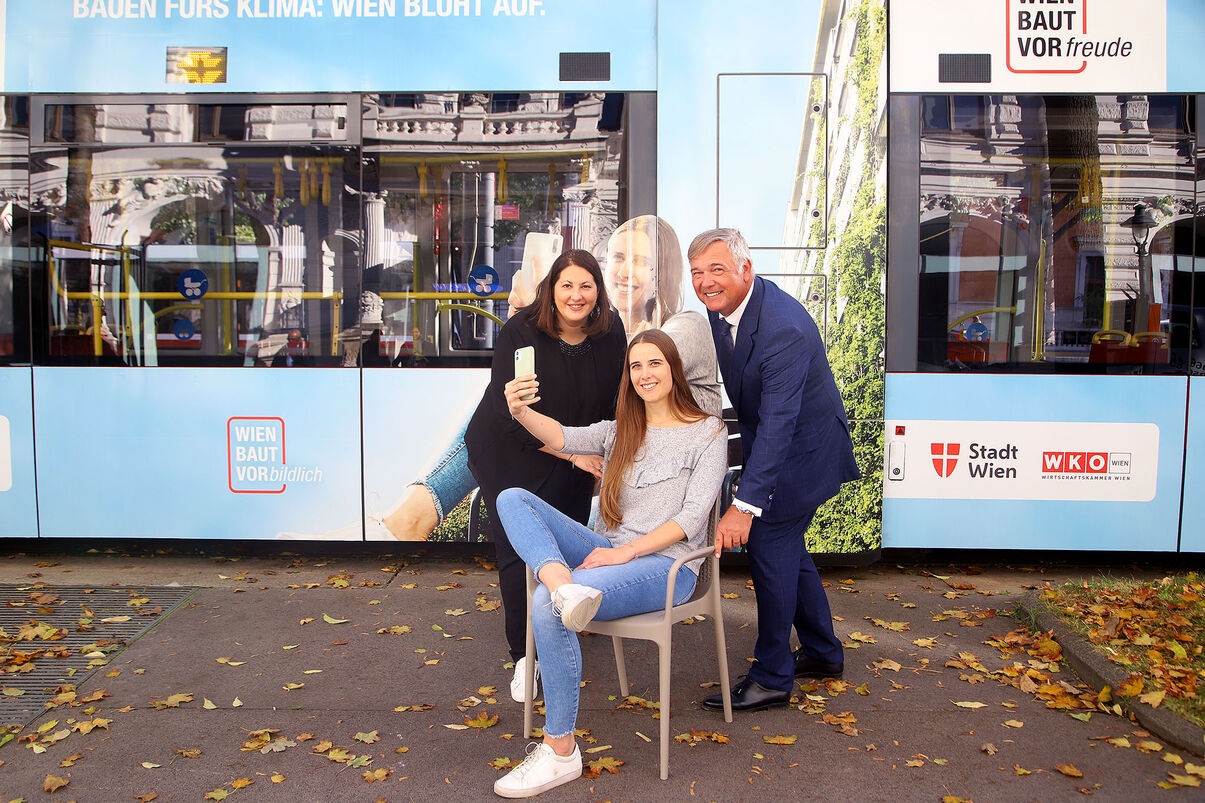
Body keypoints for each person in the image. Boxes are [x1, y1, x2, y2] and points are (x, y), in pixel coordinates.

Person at [374, 216, 719, 542]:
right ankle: (421, 508)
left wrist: (543, 322)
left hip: (658, 486)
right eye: (617, 256)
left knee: (506, 408)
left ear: (664, 270)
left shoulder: (686, 325)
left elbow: (642, 367)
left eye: (642, 261)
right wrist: (533, 322)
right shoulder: (609, 332)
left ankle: (421, 507)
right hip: (616, 462)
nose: (624, 270)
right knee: (511, 400)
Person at [490, 329, 726, 798]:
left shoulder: (708, 432)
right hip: (609, 552)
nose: (644, 374)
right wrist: (520, 411)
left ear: (673, 369)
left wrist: (624, 552)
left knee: (545, 608)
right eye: (636, 366)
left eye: (654, 363)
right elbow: (559, 435)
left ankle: (559, 751)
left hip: (667, 566)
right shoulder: (621, 429)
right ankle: (562, 584)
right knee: (513, 498)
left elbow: (691, 519)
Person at [688, 228, 860, 713]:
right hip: (778, 444)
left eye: (716, 269)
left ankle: (772, 678)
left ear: (746, 268)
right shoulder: (723, 309)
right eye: (697, 273)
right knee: (788, 549)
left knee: (769, 545)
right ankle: (824, 653)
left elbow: (781, 422)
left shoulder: (783, 326)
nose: (705, 282)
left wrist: (743, 505)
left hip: (805, 453)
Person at [464, 250, 627, 705]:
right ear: (551, 290)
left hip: (575, 451)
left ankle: (560, 627)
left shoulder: (612, 334)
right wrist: (572, 456)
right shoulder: (520, 332)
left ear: (598, 292)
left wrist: (604, 456)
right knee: (521, 555)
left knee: (565, 545)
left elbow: (617, 406)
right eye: (566, 286)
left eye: (586, 286)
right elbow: (509, 414)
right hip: (510, 451)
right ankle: (524, 657)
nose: (576, 296)